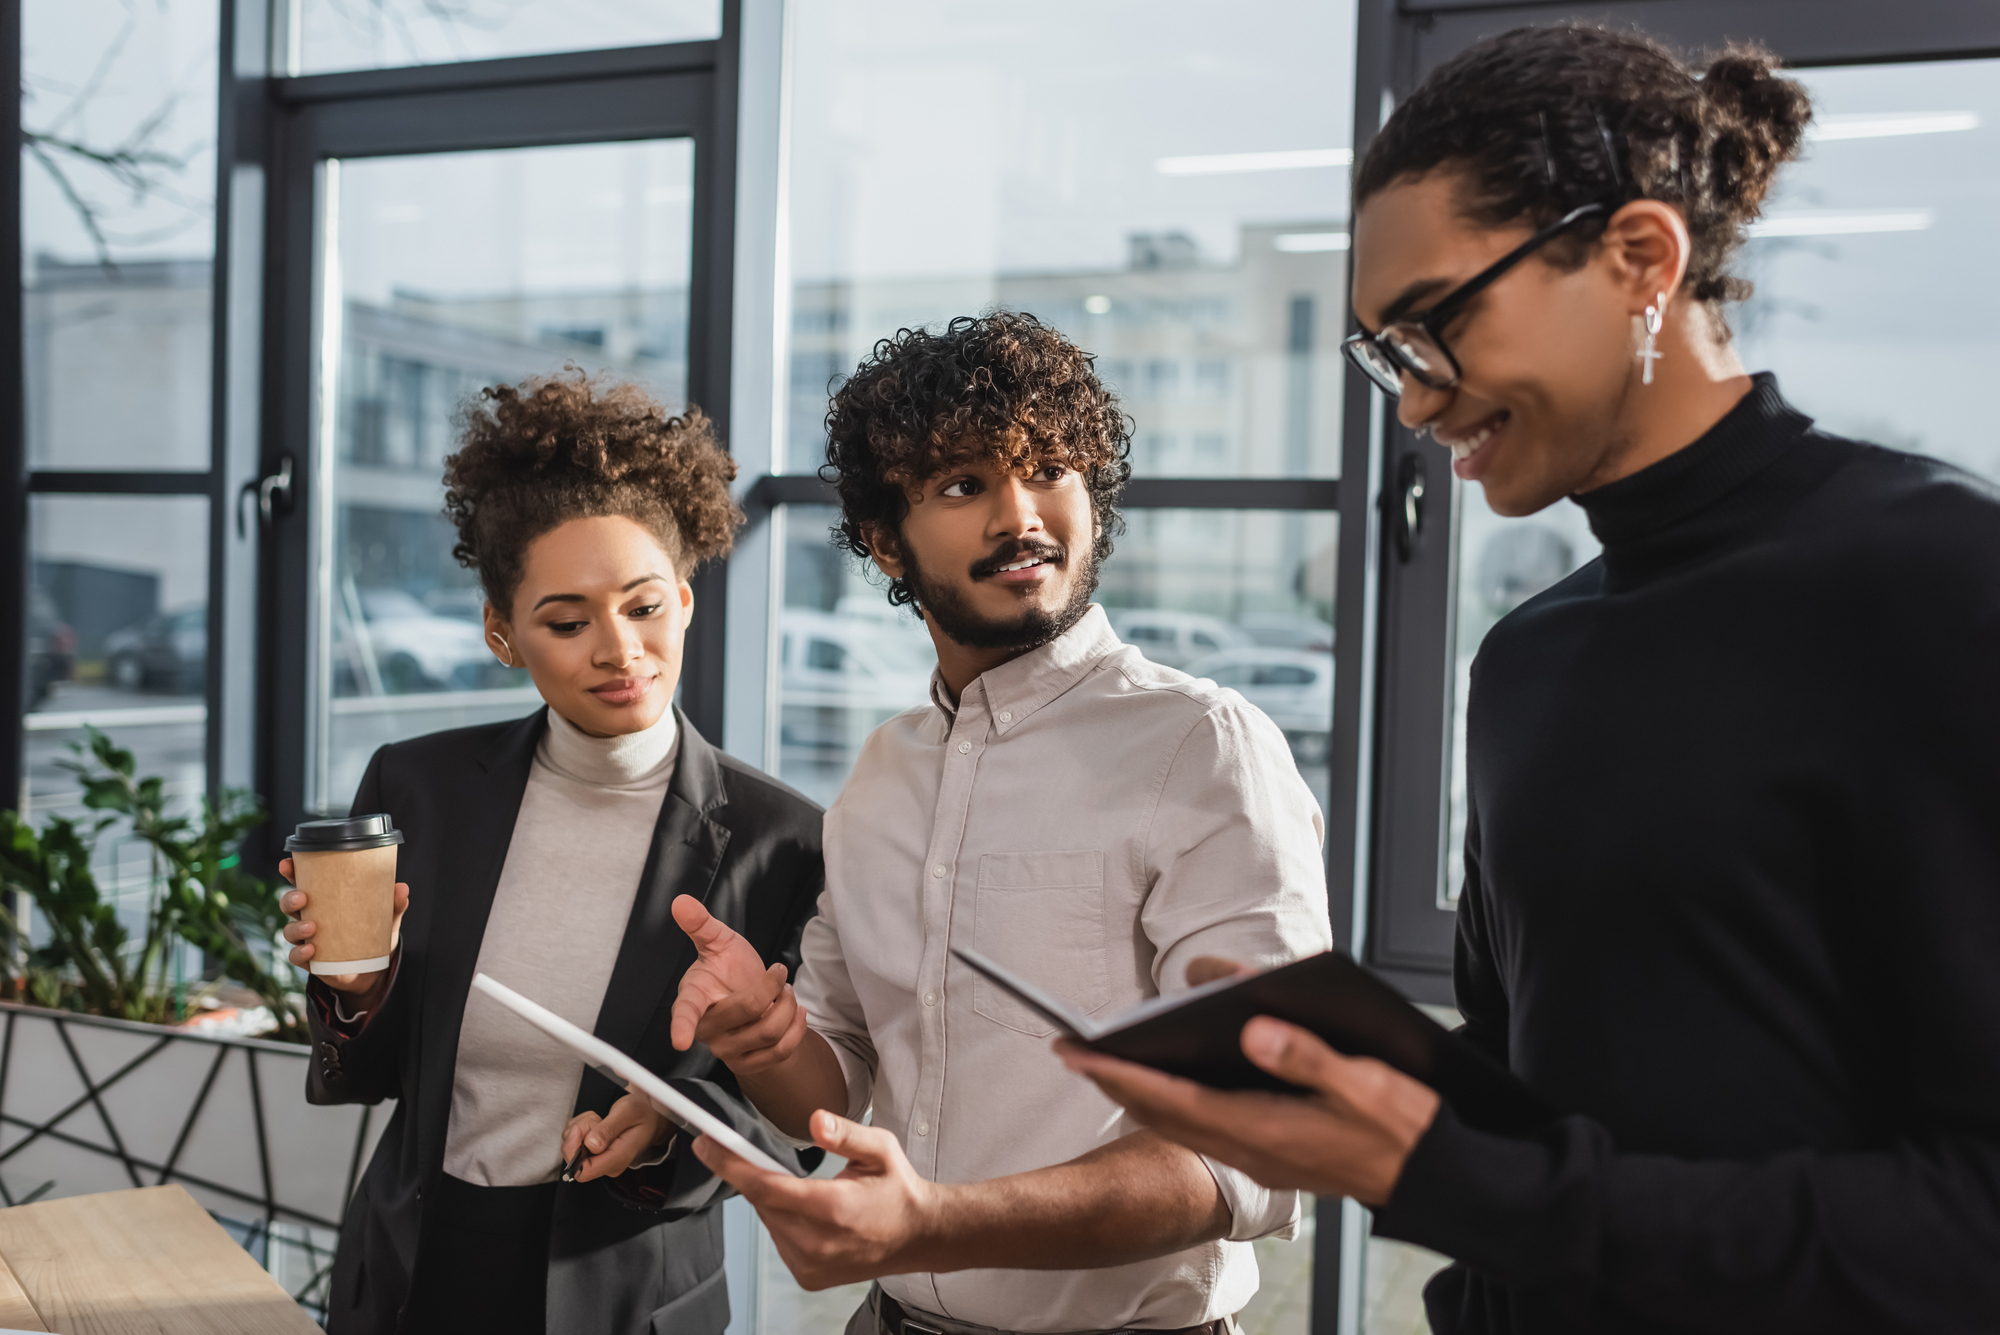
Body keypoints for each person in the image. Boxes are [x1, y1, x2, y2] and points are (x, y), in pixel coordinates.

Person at [1060, 22, 2000, 1335]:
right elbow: (1527, 1102)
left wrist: (1442, 1170)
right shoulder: (1527, 660)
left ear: (1639, 259)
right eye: (1384, 349)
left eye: (1433, 324)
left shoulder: (1941, 584)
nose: (1412, 399)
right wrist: (1339, 1078)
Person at [668, 311, 1333, 1333]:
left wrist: (933, 1224)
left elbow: (1257, 1140)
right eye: (962, 485)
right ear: (886, 541)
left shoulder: (1201, 748)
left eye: (1050, 470)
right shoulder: (883, 773)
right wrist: (763, 1041)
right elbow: (837, 1072)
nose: (1019, 516)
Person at [279, 371, 825, 1335]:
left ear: (687, 602)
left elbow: (798, 1122)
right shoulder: (420, 789)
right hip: (414, 1274)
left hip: (627, 1295)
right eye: (568, 622)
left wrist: (669, 1124)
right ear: (503, 632)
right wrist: (353, 992)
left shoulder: (781, 838)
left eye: (646, 606)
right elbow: (372, 1072)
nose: (620, 648)